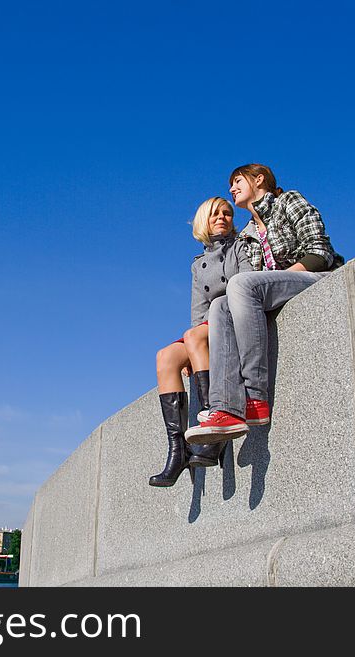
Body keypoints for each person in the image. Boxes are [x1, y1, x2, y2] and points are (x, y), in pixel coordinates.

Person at [185, 164, 343, 444]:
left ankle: (255, 396)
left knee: (241, 284)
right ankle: (226, 409)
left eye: (237, 181)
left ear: (258, 180)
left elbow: (320, 252)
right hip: (273, 292)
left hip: (314, 277)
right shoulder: (247, 233)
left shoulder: (288, 202)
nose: (232, 189)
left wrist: (274, 280)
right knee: (221, 304)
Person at [149, 196, 253, 486]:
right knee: (166, 357)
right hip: (207, 327)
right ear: (202, 221)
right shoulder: (198, 265)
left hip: (235, 314)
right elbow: (198, 311)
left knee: (194, 335)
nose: (222, 217)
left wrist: (197, 339)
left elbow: (247, 287)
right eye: (215, 214)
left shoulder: (241, 246)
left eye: (228, 213)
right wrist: (194, 351)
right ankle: (177, 450)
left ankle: (211, 430)